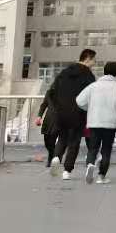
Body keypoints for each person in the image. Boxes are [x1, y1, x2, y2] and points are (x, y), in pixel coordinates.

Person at [42, 48, 97, 179]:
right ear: (87, 58)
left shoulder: (64, 72)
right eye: (94, 60)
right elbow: (91, 95)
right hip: (79, 113)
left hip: (62, 112)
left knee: (62, 138)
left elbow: (52, 92)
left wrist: (57, 108)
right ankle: (67, 171)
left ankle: (56, 157)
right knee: (74, 142)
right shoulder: (88, 76)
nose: (94, 63)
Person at [76, 60, 116, 184]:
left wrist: (90, 109)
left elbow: (79, 101)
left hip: (95, 122)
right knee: (106, 150)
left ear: (104, 71)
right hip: (111, 124)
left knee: (93, 148)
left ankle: (90, 164)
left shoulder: (94, 86)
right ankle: (101, 176)